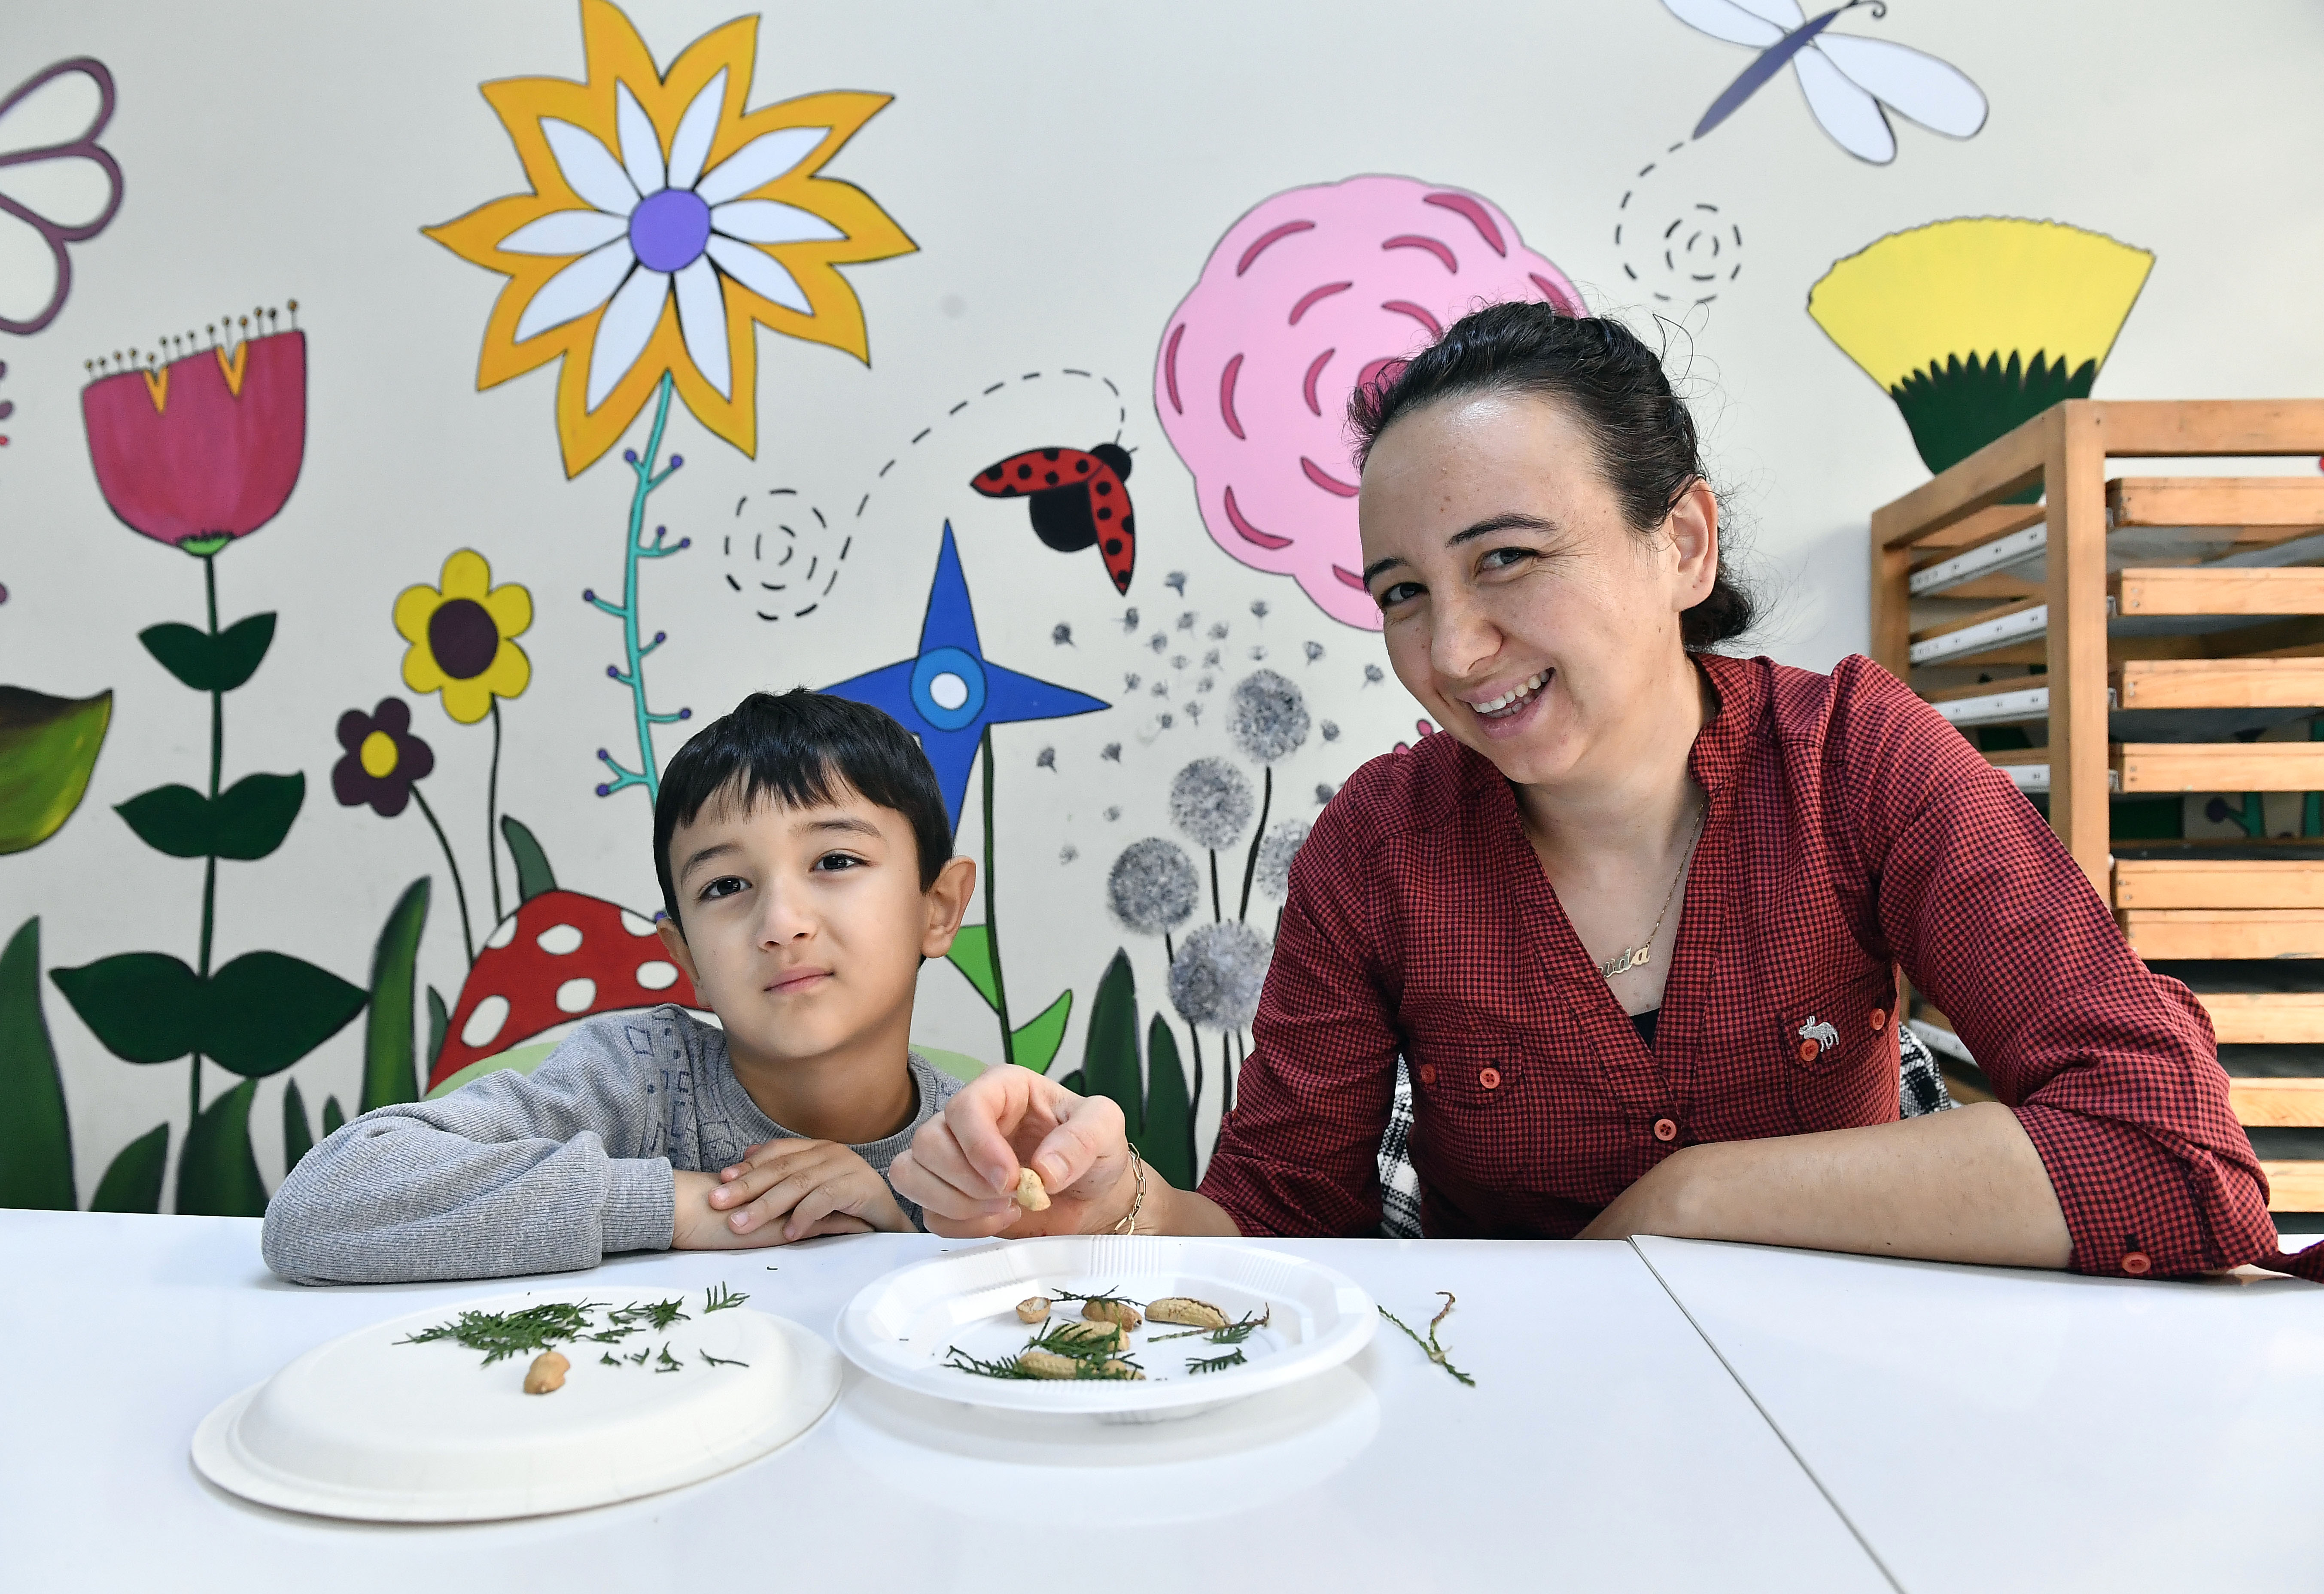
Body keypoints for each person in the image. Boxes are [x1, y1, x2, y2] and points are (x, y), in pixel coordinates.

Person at [894, 301, 2316, 1283]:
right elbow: (1280, 1230)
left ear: (1681, 542)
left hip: (1837, 1404)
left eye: (1507, 558)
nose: (1453, 651)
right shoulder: (1376, 851)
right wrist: (1120, 1203)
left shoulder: (1856, 762)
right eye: (1402, 592)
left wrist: (1692, 1199)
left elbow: (2172, 1155)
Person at [263, 691, 976, 1284]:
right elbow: (320, 1204)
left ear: (938, 909)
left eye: (836, 860)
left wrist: (892, 1235)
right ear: (687, 957)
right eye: (726, 885)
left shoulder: (986, 1143)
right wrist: (688, 1207)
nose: (781, 924)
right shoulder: (639, 1079)